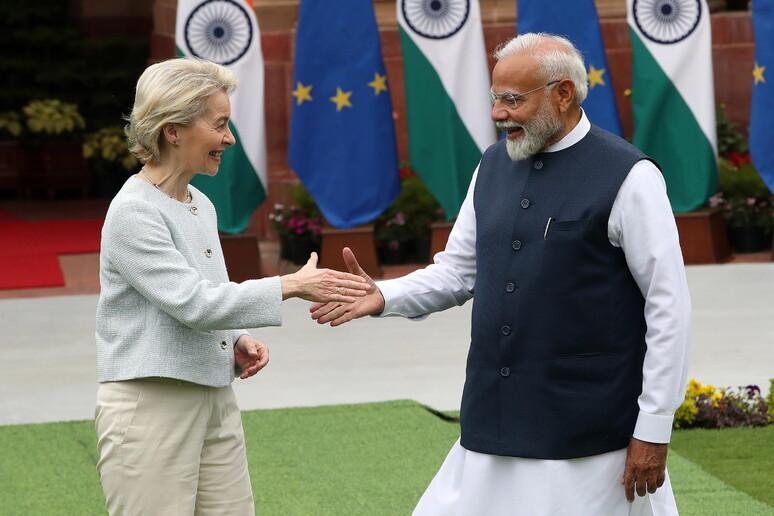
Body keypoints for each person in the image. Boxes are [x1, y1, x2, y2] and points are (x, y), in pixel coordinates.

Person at [311, 33, 690, 516]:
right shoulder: (491, 165)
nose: (497, 113)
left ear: (563, 93)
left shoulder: (631, 176)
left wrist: (653, 427)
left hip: (588, 437)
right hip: (490, 422)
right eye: (495, 98)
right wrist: (382, 295)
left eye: (512, 99)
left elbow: (669, 307)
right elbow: (457, 272)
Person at [94, 57, 369, 516]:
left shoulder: (200, 203)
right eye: (219, 124)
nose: (230, 139)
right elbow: (194, 303)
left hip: (215, 396)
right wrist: (291, 285)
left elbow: (206, 294)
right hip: (150, 407)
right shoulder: (133, 212)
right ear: (173, 130)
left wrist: (234, 339)